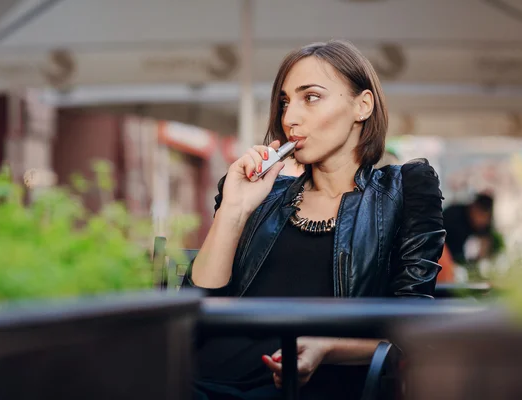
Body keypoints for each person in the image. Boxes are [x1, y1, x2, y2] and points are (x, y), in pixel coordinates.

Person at [183, 40, 445, 400]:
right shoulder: (261, 194)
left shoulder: (403, 191)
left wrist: (328, 348)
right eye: (285, 102)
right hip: (204, 379)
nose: (290, 118)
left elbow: (414, 329)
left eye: (311, 97)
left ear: (362, 105)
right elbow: (197, 306)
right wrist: (234, 209)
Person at [443, 193, 496, 265]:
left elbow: (486, 244)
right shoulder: (453, 216)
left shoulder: (482, 227)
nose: (483, 221)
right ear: (474, 208)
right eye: (481, 216)